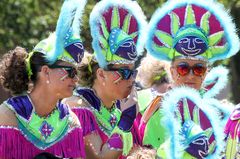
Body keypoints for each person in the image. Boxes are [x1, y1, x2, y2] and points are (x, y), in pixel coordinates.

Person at [142, 0, 240, 158]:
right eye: (183, 68)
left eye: (198, 69)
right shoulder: (152, 112)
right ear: (172, 72)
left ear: (206, 73)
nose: (191, 75)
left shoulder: (220, 114)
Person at [0, 0, 87, 158]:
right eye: (70, 71)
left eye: (77, 72)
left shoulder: (71, 123)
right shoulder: (8, 116)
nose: (76, 80)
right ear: (46, 71)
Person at [63, 0, 147, 158]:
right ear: (101, 74)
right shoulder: (78, 106)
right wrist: (125, 122)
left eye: (133, 73)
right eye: (124, 73)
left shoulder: (120, 109)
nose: (131, 80)